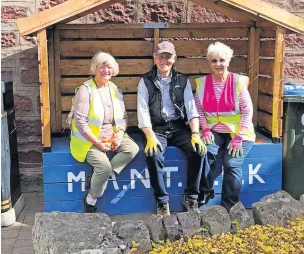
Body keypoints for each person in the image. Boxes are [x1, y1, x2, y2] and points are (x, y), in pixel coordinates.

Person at [137, 41, 206, 216]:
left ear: (174, 59)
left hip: (178, 127)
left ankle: (191, 197)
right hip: (156, 128)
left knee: (199, 151)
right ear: (154, 58)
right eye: (160, 56)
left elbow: (191, 109)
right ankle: (162, 201)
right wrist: (149, 134)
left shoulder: (182, 80)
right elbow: (142, 110)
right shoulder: (145, 80)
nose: (164, 60)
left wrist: (195, 134)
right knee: (153, 154)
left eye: (168, 57)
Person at [69, 51, 139, 213]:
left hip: (111, 134)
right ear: (94, 68)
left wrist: (120, 134)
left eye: (109, 67)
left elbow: (122, 117)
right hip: (88, 140)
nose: (106, 70)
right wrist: (98, 142)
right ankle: (91, 200)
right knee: (104, 167)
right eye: (102, 66)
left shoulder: (114, 89)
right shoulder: (85, 90)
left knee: (132, 149)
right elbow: (80, 122)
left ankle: (96, 178)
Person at [195, 42, 256, 212]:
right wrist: (205, 128)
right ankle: (205, 195)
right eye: (214, 61)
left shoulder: (237, 82)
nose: (218, 64)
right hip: (214, 129)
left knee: (232, 163)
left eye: (222, 60)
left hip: (239, 132)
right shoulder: (202, 83)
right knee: (204, 152)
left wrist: (238, 137)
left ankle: (230, 206)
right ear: (209, 63)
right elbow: (198, 108)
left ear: (228, 61)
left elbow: (247, 111)